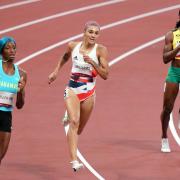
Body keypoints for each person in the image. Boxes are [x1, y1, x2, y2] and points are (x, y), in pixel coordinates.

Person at [48, 21, 109, 171]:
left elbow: (105, 75)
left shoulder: (101, 50)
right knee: (74, 122)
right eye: (90, 32)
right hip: (72, 89)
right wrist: (56, 71)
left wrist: (93, 63)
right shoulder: (72, 46)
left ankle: (68, 116)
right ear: (84, 33)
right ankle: (74, 161)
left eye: (96, 33)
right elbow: (65, 56)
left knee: (79, 130)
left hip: (89, 92)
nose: (93, 35)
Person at [0, 36, 27, 164]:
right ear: (1, 51)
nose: (12, 50)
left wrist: (21, 91)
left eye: (14, 48)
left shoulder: (21, 74)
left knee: (1, 155)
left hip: (6, 116)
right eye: (7, 48)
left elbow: (20, 105)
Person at [161, 10, 180, 153]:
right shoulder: (171, 35)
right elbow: (165, 58)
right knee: (167, 108)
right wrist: (178, 48)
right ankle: (164, 137)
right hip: (175, 71)